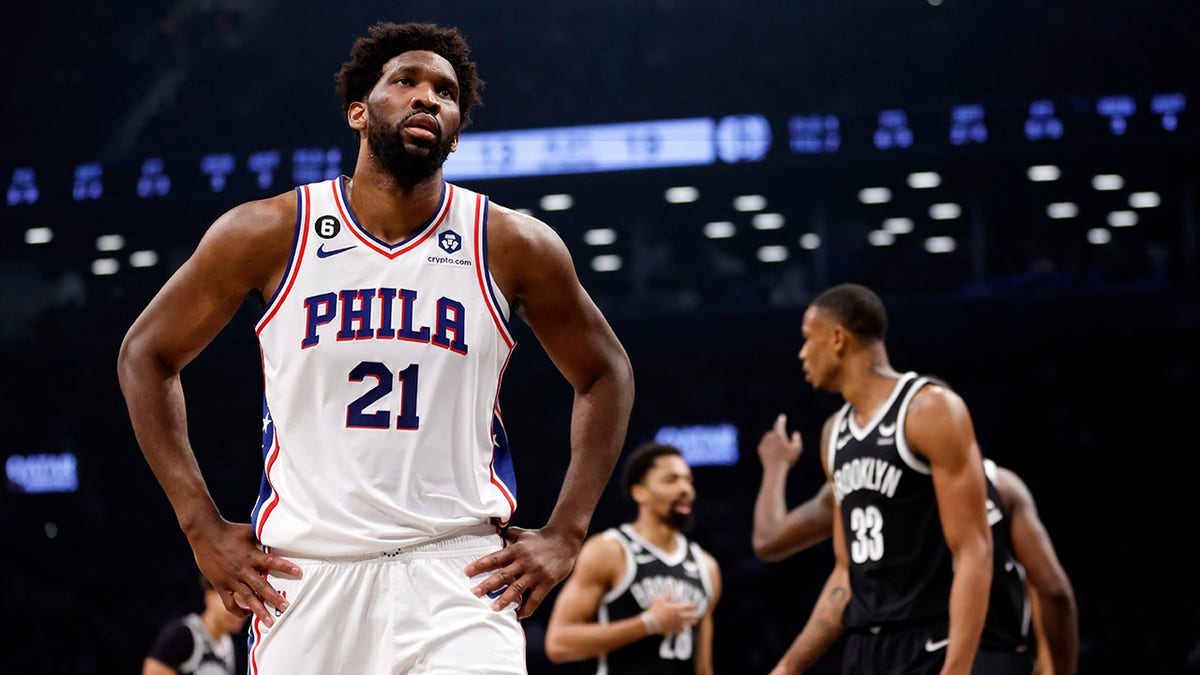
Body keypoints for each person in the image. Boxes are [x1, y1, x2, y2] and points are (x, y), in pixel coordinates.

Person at [117, 21, 635, 673]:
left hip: (459, 572)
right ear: (359, 111)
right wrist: (201, 525)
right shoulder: (270, 231)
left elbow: (606, 372)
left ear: (456, 126)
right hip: (307, 572)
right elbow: (145, 354)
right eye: (406, 82)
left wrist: (567, 531)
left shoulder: (509, 243)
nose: (429, 98)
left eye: (446, 93)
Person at [750, 283, 995, 675]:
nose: (801, 353)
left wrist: (957, 669)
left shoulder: (929, 409)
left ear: (837, 339)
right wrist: (789, 667)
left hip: (927, 641)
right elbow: (846, 575)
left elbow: (974, 551)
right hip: (863, 648)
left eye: (806, 340)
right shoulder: (835, 433)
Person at [754, 414, 1079, 674]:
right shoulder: (1001, 487)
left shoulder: (875, 482)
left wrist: (775, 467)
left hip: (917, 652)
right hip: (985, 656)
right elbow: (1053, 590)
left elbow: (770, 540)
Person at [543, 442, 722, 674]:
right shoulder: (609, 550)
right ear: (639, 492)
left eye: (688, 480)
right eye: (671, 480)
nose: (685, 489)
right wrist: (647, 624)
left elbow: (704, 667)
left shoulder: (706, 566)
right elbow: (559, 643)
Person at [143, 574, 248, 675]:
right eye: (234, 603)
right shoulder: (182, 635)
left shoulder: (229, 645)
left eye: (245, 605)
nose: (241, 612)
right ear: (209, 598)